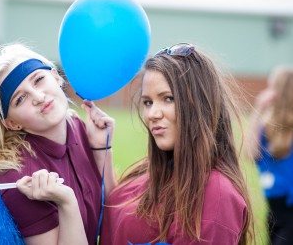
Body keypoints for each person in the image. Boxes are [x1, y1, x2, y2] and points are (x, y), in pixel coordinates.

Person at [101, 43, 254, 245]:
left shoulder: (216, 197)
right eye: (148, 102)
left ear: (199, 104)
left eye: (168, 98)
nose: (153, 114)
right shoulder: (145, 172)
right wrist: (100, 150)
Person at [0, 43, 116, 244]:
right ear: (12, 123)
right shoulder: (19, 180)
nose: (39, 97)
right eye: (20, 99)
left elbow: (113, 216)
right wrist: (67, 203)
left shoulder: (79, 127)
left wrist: (102, 150)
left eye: (38, 80)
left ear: (56, 76)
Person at [245, 66, 293, 245]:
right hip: (274, 208)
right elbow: (250, 152)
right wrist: (257, 110)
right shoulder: (267, 127)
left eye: (272, 87)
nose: (268, 93)